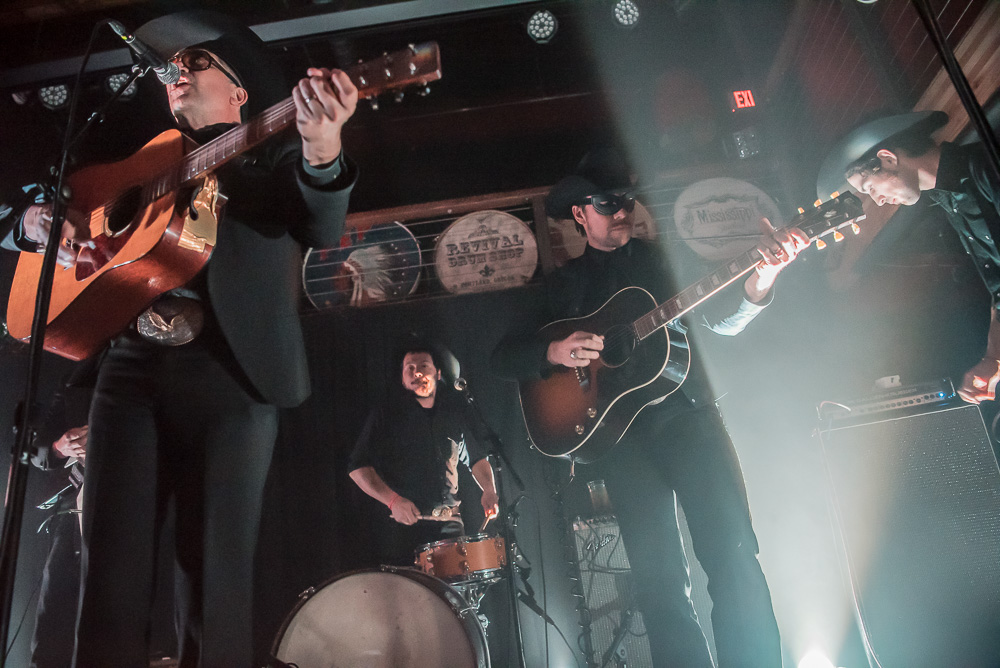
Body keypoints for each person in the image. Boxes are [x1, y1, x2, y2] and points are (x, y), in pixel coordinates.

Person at [3, 10, 357, 666]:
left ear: (240, 92)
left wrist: (325, 145)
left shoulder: (277, 153)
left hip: (234, 373)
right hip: (132, 370)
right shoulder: (140, 157)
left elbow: (319, 220)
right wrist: (26, 220)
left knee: (216, 585)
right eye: (171, 67)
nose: (177, 74)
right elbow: (42, 209)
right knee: (107, 572)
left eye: (195, 63)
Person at [491, 155, 809, 667]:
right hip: (621, 443)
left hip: (689, 421)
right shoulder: (562, 288)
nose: (622, 210)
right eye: (607, 203)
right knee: (659, 581)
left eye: (627, 200)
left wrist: (761, 280)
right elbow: (502, 358)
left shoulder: (666, 262)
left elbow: (723, 322)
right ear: (580, 214)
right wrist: (552, 352)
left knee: (733, 555)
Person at [833, 110, 1000, 404]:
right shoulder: (949, 200)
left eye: (870, 187)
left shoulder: (985, 165)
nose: (878, 200)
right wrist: (994, 359)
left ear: (888, 158)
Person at [349, 344, 499, 566]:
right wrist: (393, 501)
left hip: (451, 526)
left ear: (438, 374)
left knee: (450, 598)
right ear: (402, 379)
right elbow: (357, 467)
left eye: (423, 366)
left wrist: (489, 490)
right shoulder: (386, 415)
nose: (416, 372)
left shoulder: (453, 415)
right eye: (409, 368)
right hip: (407, 528)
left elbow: (476, 458)